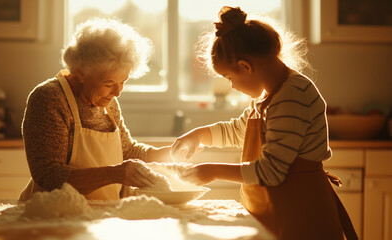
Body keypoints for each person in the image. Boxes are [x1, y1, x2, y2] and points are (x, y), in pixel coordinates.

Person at [171, 6, 357, 240]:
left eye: (230, 78)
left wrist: (214, 170)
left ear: (245, 67)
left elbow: (272, 171)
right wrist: (199, 135)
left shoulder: (293, 95)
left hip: (301, 213)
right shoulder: (268, 97)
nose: (232, 86)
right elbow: (239, 131)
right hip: (279, 210)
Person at [19, 18, 171, 201]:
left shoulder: (108, 103)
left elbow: (128, 151)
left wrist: (173, 152)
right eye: (109, 83)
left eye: (123, 81)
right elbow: (49, 175)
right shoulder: (49, 99)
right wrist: (114, 174)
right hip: (52, 215)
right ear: (81, 72)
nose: (117, 92)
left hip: (99, 216)